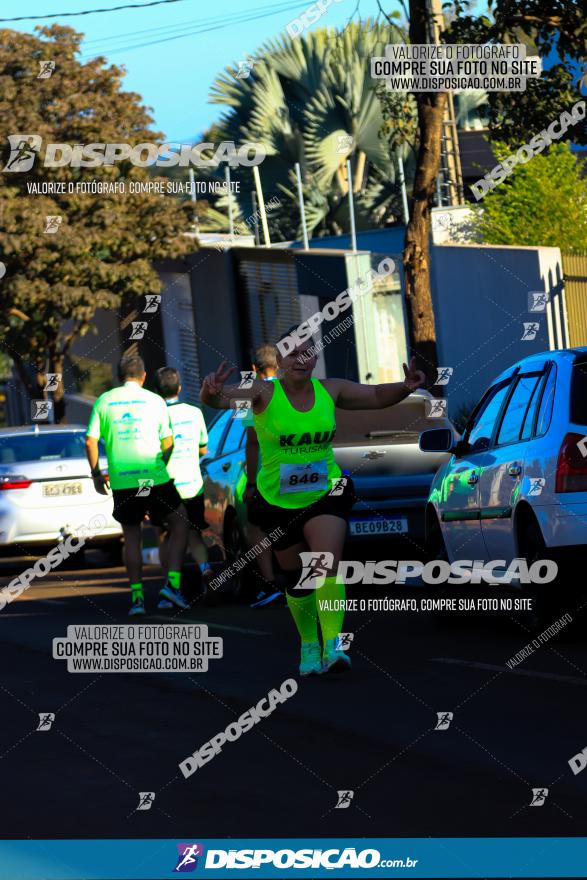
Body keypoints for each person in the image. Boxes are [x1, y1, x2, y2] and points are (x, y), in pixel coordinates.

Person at [201, 330, 426, 676]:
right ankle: (309, 645)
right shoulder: (263, 392)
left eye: (307, 353)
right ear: (278, 362)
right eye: (291, 355)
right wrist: (211, 391)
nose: (300, 360)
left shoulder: (330, 389)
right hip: (278, 500)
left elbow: (377, 395)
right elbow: (220, 400)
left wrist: (405, 386)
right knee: (298, 577)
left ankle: (333, 645)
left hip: (325, 492)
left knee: (326, 562)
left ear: (315, 359)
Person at [85, 353, 189, 616]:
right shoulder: (155, 401)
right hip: (153, 476)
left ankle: (137, 600)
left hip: (123, 481)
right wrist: (161, 467)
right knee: (180, 522)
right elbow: (168, 443)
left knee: (132, 536)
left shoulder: (104, 400)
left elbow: (90, 441)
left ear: (119, 377)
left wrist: (97, 474)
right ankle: (173, 585)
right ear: (143, 377)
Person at [155, 367, 212, 607]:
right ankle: (206, 570)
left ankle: (171, 587)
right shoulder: (194, 411)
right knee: (193, 534)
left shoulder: (154, 414)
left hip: (167, 486)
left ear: (157, 391)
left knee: (166, 536)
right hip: (193, 485)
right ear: (179, 388)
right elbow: (203, 449)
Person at [242, 343, 283, 608]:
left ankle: (269, 584)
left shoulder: (254, 394)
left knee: (257, 527)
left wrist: (251, 482)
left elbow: (252, 442)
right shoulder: (294, 388)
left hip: (269, 475)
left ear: (254, 369)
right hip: (305, 471)